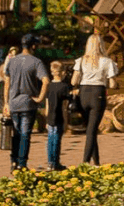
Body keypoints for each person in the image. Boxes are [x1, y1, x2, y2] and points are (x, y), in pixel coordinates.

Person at [2, 33, 49, 170]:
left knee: (16, 133)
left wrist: (6, 103)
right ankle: (22, 163)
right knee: (25, 135)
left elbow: (7, 83)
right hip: (28, 103)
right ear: (33, 46)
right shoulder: (36, 62)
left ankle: (13, 161)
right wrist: (40, 98)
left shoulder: (12, 61)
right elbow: (46, 81)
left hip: (14, 103)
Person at [73, 34, 118, 165]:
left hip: (83, 93)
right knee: (91, 130)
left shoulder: (80, 60)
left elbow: (73, 80)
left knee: (90, 129)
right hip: (98, 94)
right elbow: (113, 84)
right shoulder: (107, 62)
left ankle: (96, 161)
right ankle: (85, 161)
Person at [45, 60, 73, 170]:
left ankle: (50, 162)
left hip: (50, 117)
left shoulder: (49, 86)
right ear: (62, 72)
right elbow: (64, 106)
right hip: (59, 116)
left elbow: (47, 104)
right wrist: (66, 121)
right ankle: (56, 163)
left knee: (50, 140)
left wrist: (47, 118)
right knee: (57, 140)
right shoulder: (64, 87)